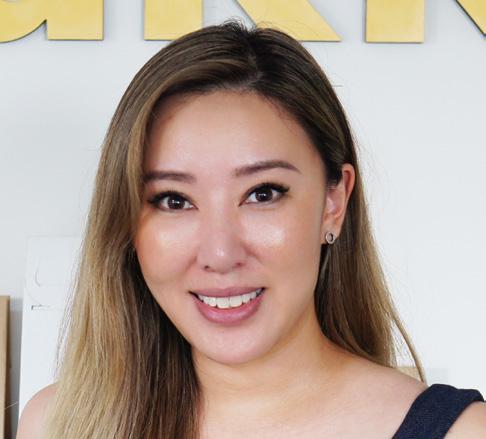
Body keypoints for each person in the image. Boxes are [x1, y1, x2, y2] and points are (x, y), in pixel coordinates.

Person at [17, 19, 485, 439]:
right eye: (174, 200)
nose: (220, 254)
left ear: (334, 202)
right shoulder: (57, 425)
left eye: (263, 194)